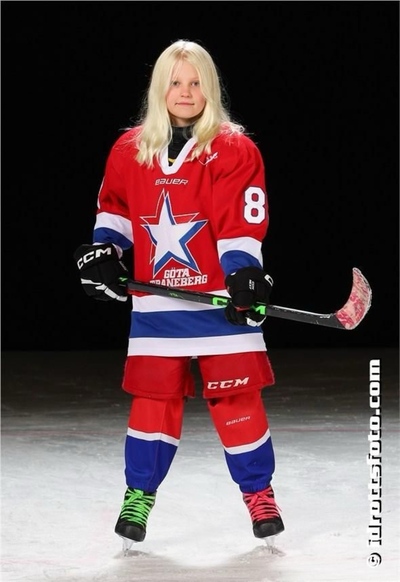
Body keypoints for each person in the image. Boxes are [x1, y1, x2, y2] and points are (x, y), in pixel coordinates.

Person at [74, 39, 284, 550]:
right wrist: (105, 254)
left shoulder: (233, 148)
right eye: (175, 82)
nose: (185, 92)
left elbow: (240, 222)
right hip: (156, 305)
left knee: (237, 399)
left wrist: (244, 275)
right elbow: (116, 211)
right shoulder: (129, 149)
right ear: (159, 88)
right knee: (153, 402)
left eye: (195, 82)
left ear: (209, 88)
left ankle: (259, 494)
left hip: (220, 302)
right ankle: (138, 495)